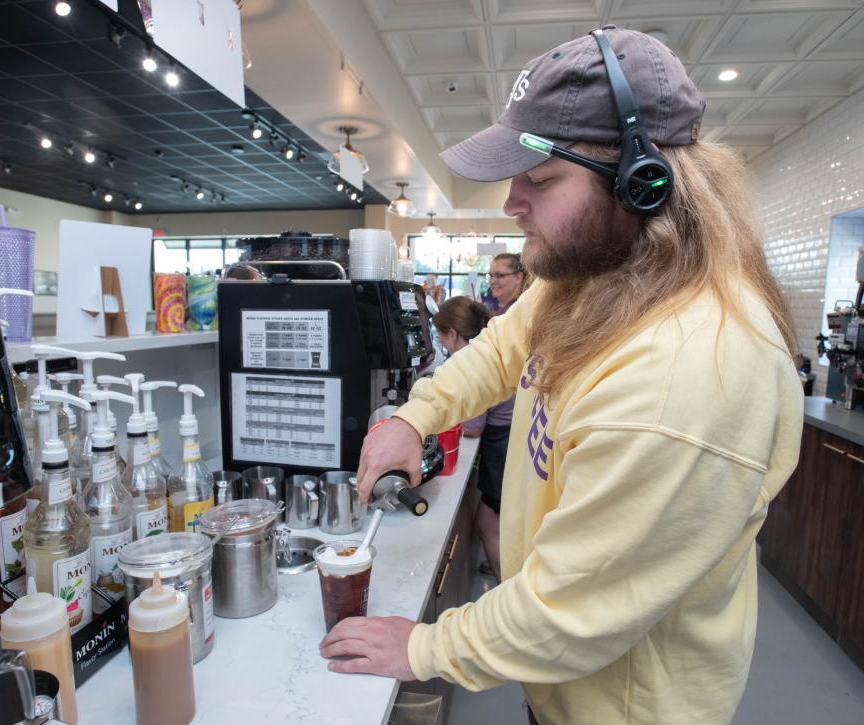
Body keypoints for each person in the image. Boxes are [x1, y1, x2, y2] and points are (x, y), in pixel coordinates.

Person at [320, 26, 803, 725]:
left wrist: (426, 647)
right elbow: (501, 347)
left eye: (541, 179)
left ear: (642, 184)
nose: (512, 201)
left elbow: (567, 611)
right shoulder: (597, 268)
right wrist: (413, 415)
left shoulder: (689, 376)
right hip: (562, 683)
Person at [433, 296, 512, 581]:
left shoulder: (473, 361)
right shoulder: (488, 349)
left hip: (502, 445)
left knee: (487, 524)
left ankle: (509, 594)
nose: (440, 343)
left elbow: (474, 426)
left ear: (452, 334)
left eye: (440, 336)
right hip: (510, 439)